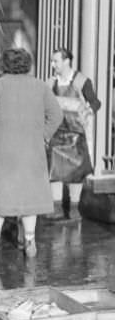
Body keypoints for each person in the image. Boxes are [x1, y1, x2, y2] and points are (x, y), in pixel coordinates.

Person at [0, 48, 63, 258]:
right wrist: (44, 135)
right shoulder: (40, 86)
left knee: (0, 195)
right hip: (32, 149)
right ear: (28, 64)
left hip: (2, 150)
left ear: (5, 65)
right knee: (29, 195)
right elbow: (56, 115)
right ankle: (30, 241)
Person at [47, 47, 101, 220]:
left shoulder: (82, 81)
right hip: (56, 133)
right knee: (55, 171)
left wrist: (88, 112)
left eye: (55, 61)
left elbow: (95, 102)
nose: (52, 64)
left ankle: (74, 209)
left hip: (76, 132)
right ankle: (56, 209)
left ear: (66, 61)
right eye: (52, 61)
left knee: (76, 172)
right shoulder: (50, 83)